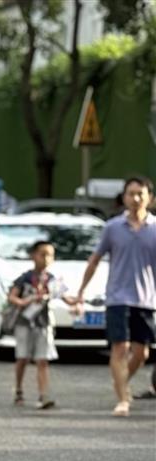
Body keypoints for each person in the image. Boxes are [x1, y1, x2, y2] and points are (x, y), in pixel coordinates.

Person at [73, 175, 156, 415]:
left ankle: (121, 381)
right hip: (118, 298)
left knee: (142, 353)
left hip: (147, 300)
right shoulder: (112, 228)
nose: (136, 198)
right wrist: (81, 291)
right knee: (120, 348)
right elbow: (95, 260)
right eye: (131, 194)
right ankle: (123, 400)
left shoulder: (154, 228)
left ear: (149, 198)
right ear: (124, 197)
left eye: (141, 193)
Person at [8, 239, 70, 410]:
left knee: (42, 360)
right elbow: (12, 296)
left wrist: (78, 302)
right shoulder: (26, 278)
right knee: (23, 358)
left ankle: (44, 395)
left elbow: (66, 297)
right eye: (42, 254)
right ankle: (19, 389)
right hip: (24, 322)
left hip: (43, 323)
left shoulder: (52, 280)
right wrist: (24, 301)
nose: (46, 259)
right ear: (33, 256)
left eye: (50, 255)